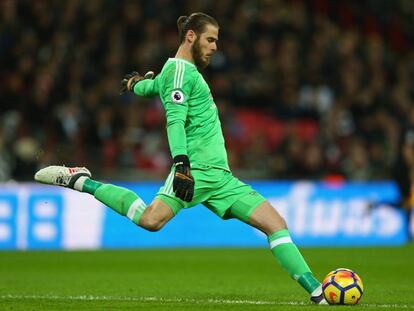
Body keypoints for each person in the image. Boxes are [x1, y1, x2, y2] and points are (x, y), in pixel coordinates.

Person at [35, 12, 327, 304]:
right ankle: (81, 181)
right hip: (195, 170)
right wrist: (181, 165)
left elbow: (151, 87)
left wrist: (135, 84)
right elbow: (174, 120)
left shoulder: (176, 74)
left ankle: (318, 293)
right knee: (151, 220)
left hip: (222, 178)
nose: (214, 47)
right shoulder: (179, 72)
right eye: (210, 39)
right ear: (191, 36)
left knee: (276, 225)